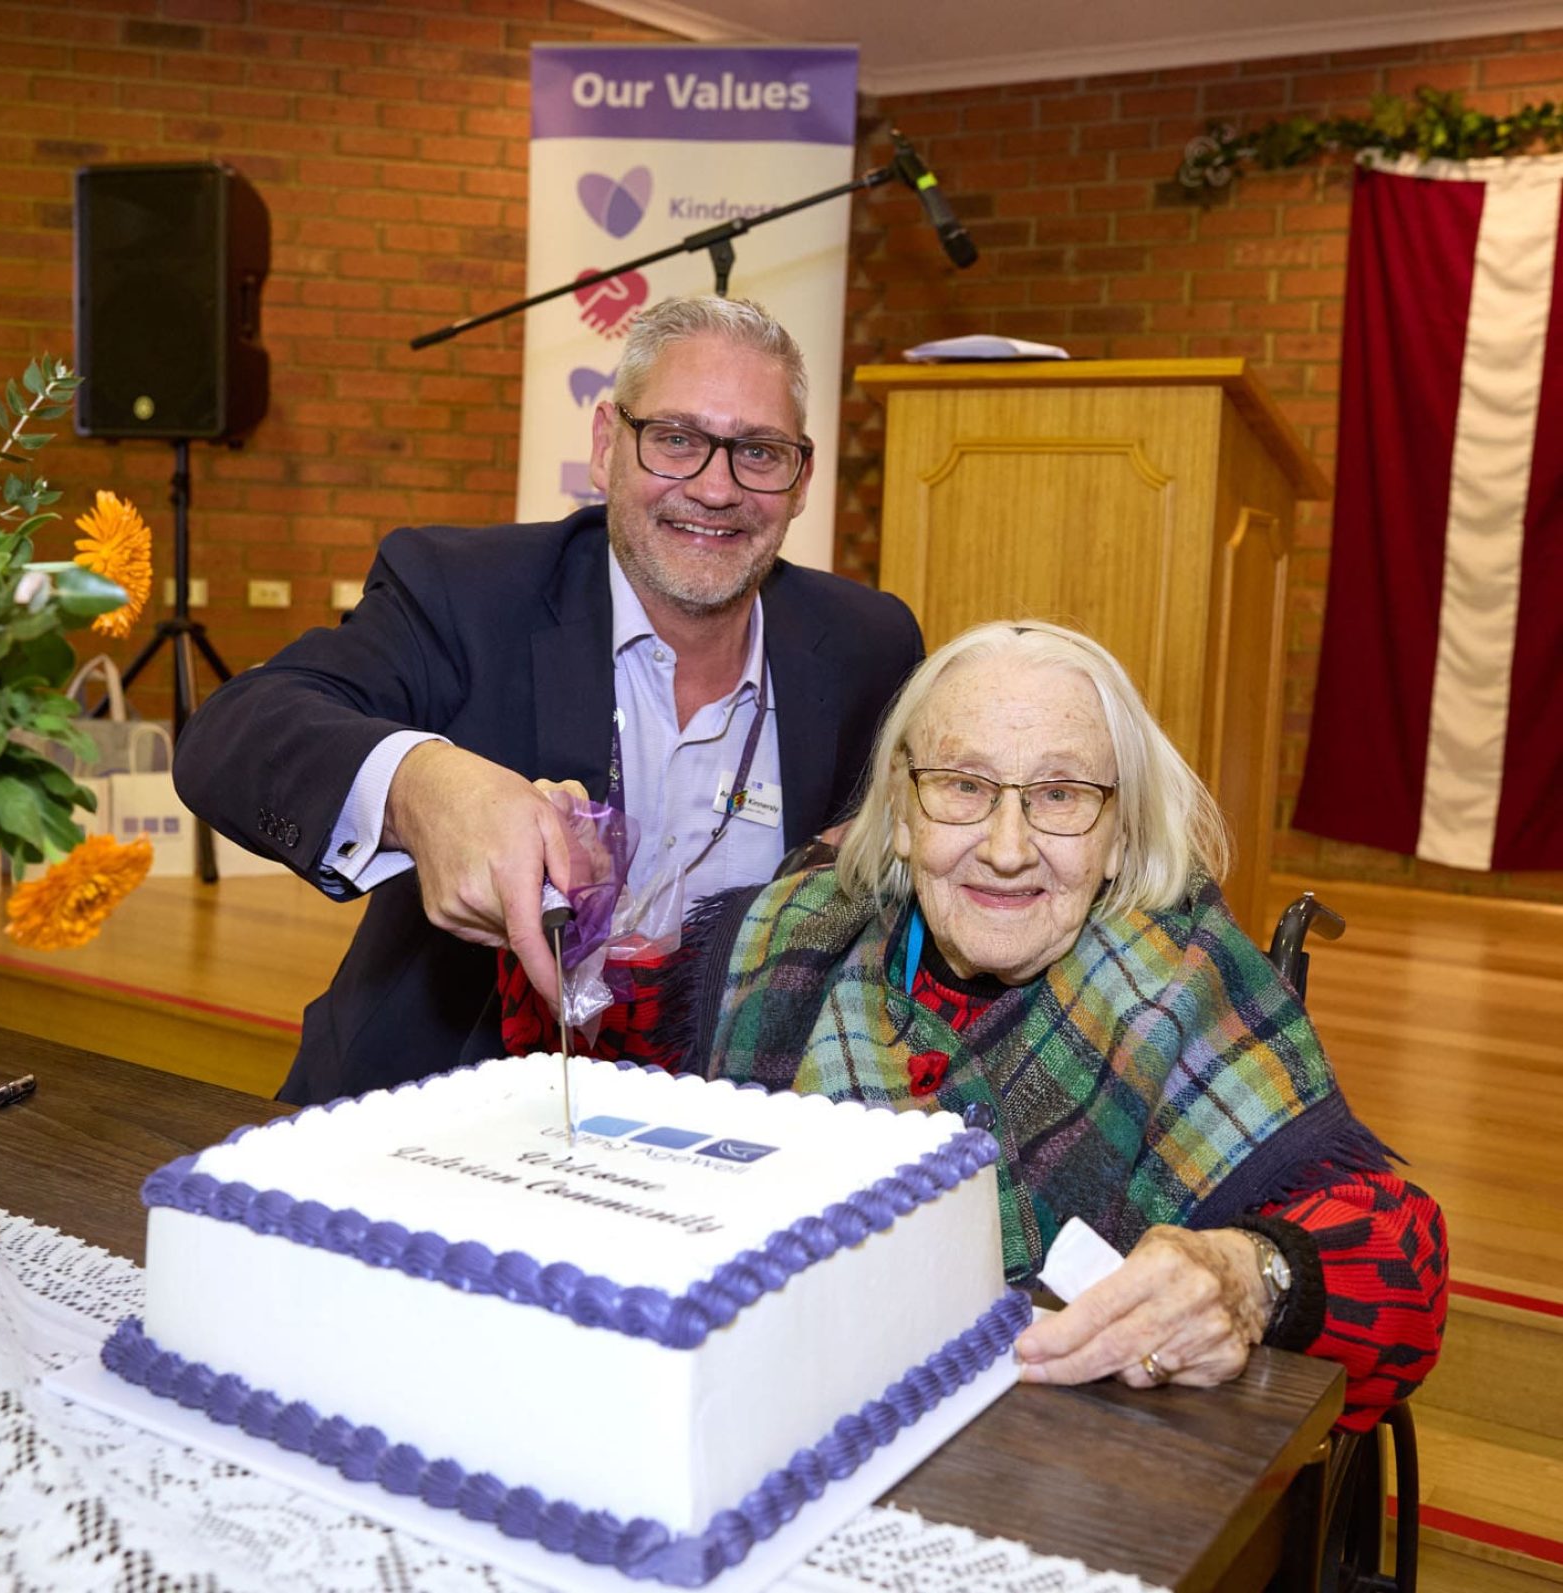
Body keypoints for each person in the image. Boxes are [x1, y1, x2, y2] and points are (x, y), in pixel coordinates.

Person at [663, 619, 1446, 1431]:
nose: (1007, 849)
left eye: (1060, 795)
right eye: (963, 785)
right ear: (901, 809)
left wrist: (1249, 1272)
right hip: (795, 1420)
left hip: (1072, 1457)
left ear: (1119, 833)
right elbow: (607, 1093)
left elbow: (1405, 1273)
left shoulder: (1180, 989)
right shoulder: (788, 942)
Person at [173, 296, 923, 1106]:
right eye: (675, 439)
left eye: (759, 451)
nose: (715, 488)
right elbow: (234, 731)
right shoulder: (463, 593)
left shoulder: (868, 645)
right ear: (605, 446)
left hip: (736, 1127)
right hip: (446, 1110)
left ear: (801, 480)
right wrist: (419, 787)